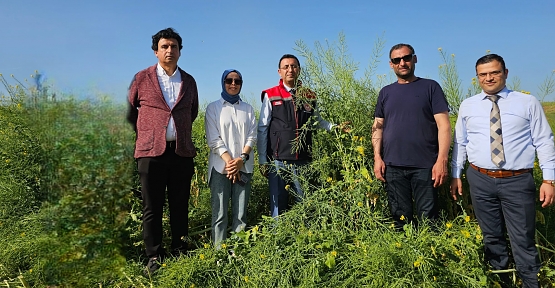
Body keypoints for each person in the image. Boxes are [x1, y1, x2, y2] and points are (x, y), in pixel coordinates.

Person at [450, 54, 555, 287]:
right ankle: (503, 282)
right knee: (492, 237)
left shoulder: (527, 103)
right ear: (477, 77)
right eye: (483, 74)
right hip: (480, 179)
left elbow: (544, 140)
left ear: (505, 73)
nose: (489, 78)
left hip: (517, 181)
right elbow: (461, 143)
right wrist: (456, 174)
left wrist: (549, 179)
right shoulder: (468, 105)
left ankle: (530, 283)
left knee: (523, 239)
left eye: (494, 73)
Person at [127, 27, 198, 275]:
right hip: (150, 154)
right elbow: (129, 112)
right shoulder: (141, 78)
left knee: (180, 204)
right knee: (152, 207)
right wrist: (146, 134)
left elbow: (192, 112)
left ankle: (180, 249)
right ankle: (154, 256)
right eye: (164, 46)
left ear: (180, 51)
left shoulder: (188, 81)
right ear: (155, 51)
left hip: (180, 153)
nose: (169, 50)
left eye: (174, 46)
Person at [372, 43, 451, 230]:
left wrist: (442, 160)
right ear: (391, 64)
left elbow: (444, 126)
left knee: (428, 220)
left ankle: (429, 256)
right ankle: (404, 257)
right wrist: (377, 157)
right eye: (396, 60)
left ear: (414, 59)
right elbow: (377, 127)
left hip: (425, 165)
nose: (402, 63)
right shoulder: (386, 92)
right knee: (399, 220)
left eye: (406, 58)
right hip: (393, 165)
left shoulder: (430, 87)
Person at [257, 54, 337, 218]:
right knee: (278, 207)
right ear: (279, 71)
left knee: (306, 205)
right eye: (286, 67)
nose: (290, 70)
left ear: (299, 70)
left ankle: (306, 240)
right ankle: (278, 240)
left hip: (304, 160)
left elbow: (318, 121)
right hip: (278, 160)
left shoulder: (309, 95)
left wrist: (336, 128)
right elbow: (262, 128)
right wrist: (263, 160)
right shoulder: (271, 95)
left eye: (293, 66)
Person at [205, 69, 257, 248]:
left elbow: (252, 136)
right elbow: (213, 139)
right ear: (223, 82)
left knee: (240, 214)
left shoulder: (248, 109)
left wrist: (241, 159)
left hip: (244, 167)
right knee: (219, 214)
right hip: (221, 169)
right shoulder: (213, 108)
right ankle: (219, 253)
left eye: (237, 81)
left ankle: (238, 252)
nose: (233, 84)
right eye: (229, 80)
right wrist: (230, 162)